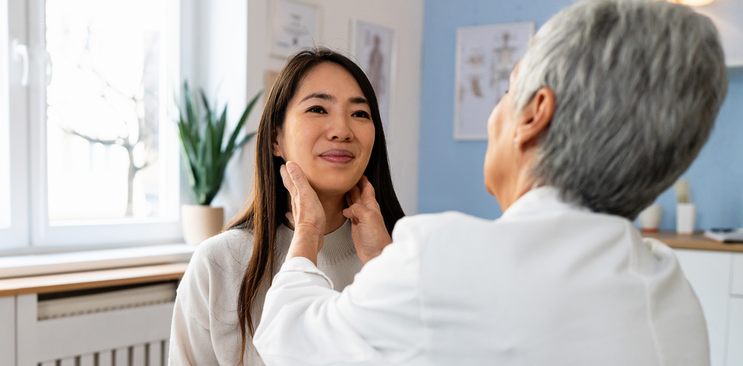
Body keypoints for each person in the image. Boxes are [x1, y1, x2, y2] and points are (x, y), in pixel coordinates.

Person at [253, 1, 728, 365]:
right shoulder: (673, 293)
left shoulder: (442, 260)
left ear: (535, 115)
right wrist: (388, 263)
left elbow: (289, 339)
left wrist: (309, 234)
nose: (342, 128)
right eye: (318, 108)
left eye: (506, 92)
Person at [168, 49, 406, 365]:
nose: (342, 130)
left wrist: (385, 262)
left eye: (360, 114)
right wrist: (307, 233)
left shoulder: (402, 257)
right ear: (275, 139)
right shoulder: (218, 263)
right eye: (318, 108)